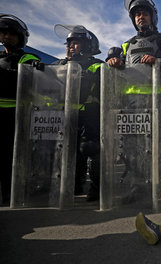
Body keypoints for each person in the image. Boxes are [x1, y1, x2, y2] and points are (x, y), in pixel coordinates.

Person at [108, 0, 161, 205]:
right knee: (133, 148)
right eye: (137, 14)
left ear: (153, 16)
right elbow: (119, 70)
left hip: (158, 102)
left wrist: (158, 62)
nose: (140, 17)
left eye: (144, 13)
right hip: (132, 105)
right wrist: (113, 62)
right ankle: (137, 186)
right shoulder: (126, 44)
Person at [53, 24, 104, 201]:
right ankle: (73, 185)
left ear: (88, 45)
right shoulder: (60, 65)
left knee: (90, 148)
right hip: (66, 115)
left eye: (75, 43)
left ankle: (97, 189)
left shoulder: (97, 65)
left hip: (91, 113)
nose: (70, 46)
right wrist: (40, 69)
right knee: (69, 149)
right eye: (69, 43)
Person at [0, 14, 41, 205]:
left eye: (11, 34)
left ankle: (13, 193)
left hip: (17, 113)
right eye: (4, 33)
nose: (7, 37)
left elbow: (24, 80)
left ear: (20, 37)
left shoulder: (28, 57)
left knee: (14, 156)